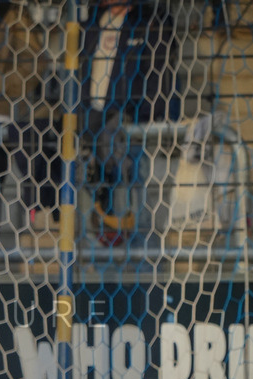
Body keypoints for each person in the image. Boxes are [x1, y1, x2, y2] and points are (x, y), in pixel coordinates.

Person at [80, 0, 181, 242]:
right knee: (94, 207)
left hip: (133, 131)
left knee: (139, 206)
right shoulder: (91, 22)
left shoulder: (151, 21)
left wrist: (142, 121)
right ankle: (101, 272)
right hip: (91, 128)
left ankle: (144, 272)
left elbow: (159, 77)